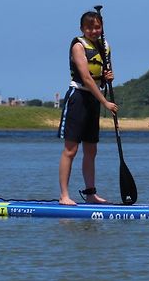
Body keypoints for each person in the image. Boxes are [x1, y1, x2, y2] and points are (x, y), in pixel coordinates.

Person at [57, 11, 118, 205]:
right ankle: (64, 195)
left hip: (94, 100)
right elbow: (86, 78)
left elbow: (105, 73)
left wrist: (109, 77)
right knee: (71, 149)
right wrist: (105, 102)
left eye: (97, 27)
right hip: (79, 98)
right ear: (82, 29)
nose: (94, 31)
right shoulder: (78, 45)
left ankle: (91, 193)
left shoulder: (105, 46)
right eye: (89, 28)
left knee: (91, 150)